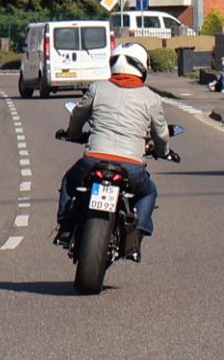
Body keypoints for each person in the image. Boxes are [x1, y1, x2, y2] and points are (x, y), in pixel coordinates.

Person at [59, 43, 173, 257]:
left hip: (93, 160)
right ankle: (136, 238)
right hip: (132, 167)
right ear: (142, 68)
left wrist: (73, 134)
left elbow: (78, 116)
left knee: (70, 181)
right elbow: (162, 134)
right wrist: (163, 150)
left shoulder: (97, 88)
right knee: (148, 192)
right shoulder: (151, 98)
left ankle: (65, 227)